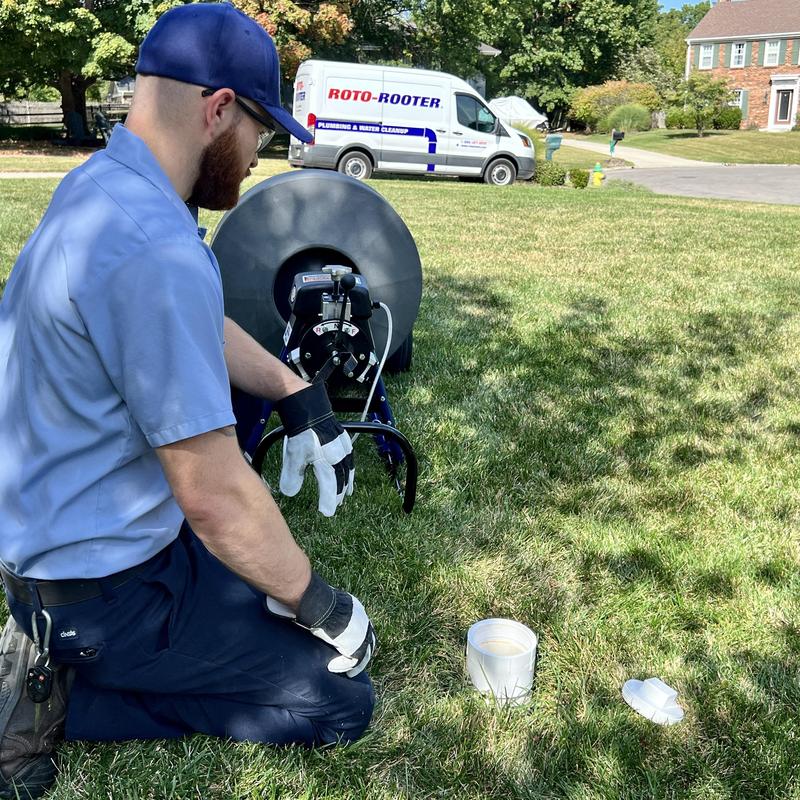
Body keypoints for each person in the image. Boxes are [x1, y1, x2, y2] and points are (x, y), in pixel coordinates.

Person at [0, 4, 376, 798]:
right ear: (218, 110)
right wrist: (323, 603)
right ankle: (63, 691)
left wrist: (294, 390)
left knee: (259, 590)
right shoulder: (152, 247)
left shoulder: (107, 188)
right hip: (107, 594)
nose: (256, 156)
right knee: (337, 699)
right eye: (259, 131)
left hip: (64, 546)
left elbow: (191, 320)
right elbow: (213, 497)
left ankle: (58, 644)